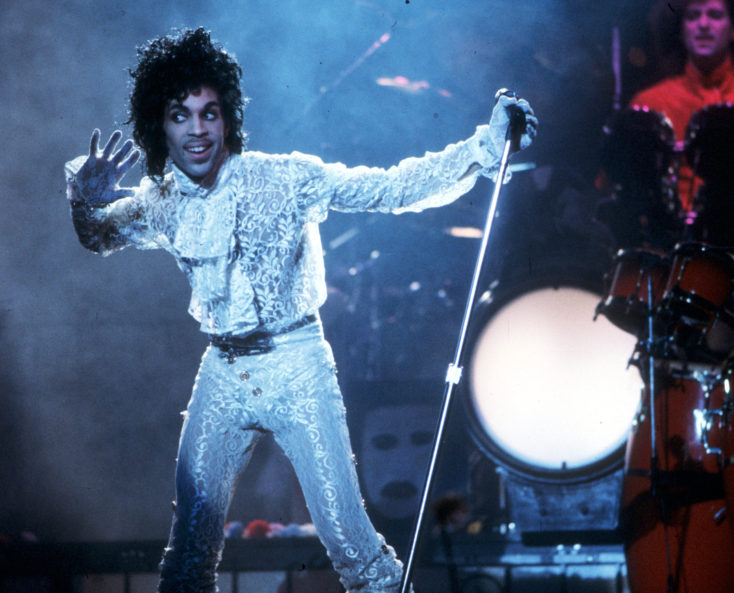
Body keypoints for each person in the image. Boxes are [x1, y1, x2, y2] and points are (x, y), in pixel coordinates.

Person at [64, 27, 536, 593]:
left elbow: (391, 189)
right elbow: (98, 236)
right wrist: (84, 201)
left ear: (227, 118)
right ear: (158, 126)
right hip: (223, 371)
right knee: (187, 554)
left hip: (298, 364)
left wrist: (484, 149)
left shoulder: (284, 178)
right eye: (180, 115)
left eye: (208, 114)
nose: (197, 130)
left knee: (353, 546)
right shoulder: (160, 203)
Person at [629, 0, 734, 215]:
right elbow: (619, 181)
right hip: (670, 242)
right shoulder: (649, 103)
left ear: (732, 29)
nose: (703, 24)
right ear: (680, 28)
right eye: (693, 16)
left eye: (714, 15)